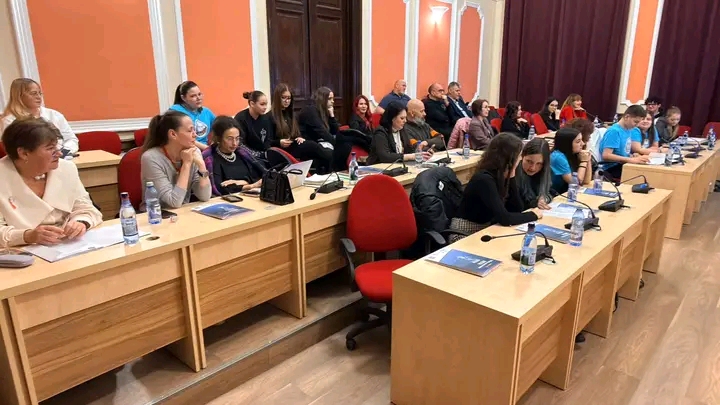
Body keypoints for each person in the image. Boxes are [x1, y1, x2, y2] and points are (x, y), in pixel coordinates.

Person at [0, 118, 102, 247]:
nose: (59, 153)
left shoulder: (66, 168)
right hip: (20, 250)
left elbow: (86, 209)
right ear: (24, 153)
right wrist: (27, 236)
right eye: (50, 148)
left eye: (57, 147)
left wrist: (81, 222)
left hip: (67, 245)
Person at [448, 133, 542, 240]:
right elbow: (504, 218)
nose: (520, 159)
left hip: (484, 229)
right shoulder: (484, 179)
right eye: (518, 156)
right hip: (463, 232)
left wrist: (511, 176)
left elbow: (516, 209)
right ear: (508, 158)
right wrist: (533, 215)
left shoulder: (501, 175)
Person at [140, 110, 212, 209]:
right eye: (190, 130)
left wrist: (202, 166)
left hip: (183, 212)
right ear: (173, 134)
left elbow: (205, 196)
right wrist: (186, 164)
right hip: (156, 214)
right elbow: (173, 202)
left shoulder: (194, 152)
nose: (195, 135)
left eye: (194, 130)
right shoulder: (151, 158)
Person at [0, 78, 79, 154]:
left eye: (40, 93)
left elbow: (71, 139)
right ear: (19, 96)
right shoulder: (10, 120)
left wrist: (63, 152)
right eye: (33, 93)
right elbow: (13, 150)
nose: (39, 97)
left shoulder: (54, 115)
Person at [202, 116, 265, 196]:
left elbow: (260, 176)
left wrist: (243, 182)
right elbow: (220, 187)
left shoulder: (242, 154)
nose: (234, 143)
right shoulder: (211, 158)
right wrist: (250, 186)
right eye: (229, 139)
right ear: (219, 138)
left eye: (237, 138)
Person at [367, 101, 432, 164]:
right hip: (378, 167)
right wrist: (410, 156)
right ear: (392, 118)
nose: (405, 121)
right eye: (402, 118)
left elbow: (409, 149)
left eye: (405, 118)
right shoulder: (381, 132)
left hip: (398, 166)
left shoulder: (402, 130)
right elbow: (385, 156)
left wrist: (424, 151)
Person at [598, 105, 650, 179]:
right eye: (635, 122)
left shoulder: (628, 130)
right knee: (643, 175)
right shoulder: (614, 131)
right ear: (626, 117)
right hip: (611, 168)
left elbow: (623, 152)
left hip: (622, 165)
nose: (637, 125)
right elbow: (606, 155)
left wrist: (632, 156)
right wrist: (630, 160)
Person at [297, 87, 338, 173]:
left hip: (319, 142)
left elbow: (335, 131)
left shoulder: (324, 111)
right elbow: (322, 131)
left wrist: (332, 116)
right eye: (329, 99)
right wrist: (338, 145)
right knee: (332, 154)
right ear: (322, 99)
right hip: (306, 143)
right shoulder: (310, 110)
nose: (333, 101)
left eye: (333, 99)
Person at [169, 81, 216, 150]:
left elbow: (219, 128)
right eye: (193, 96)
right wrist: (209, 150)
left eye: (199, 94)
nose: (198, 98)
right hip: (187, 149)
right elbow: (184, 139)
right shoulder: (176, 111)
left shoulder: (206, 111)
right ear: (183, 98)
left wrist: (214, 143)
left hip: (205, 149)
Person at [550, 128, 592, 194]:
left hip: (567, 193)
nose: (583, 143)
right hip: (554, 195)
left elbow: (586, 181)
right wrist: (584, 162)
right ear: (567, 144)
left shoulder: (573, 154)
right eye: (578, 141)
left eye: (581, 140)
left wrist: (587, 159)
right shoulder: (558, 157)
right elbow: (576, 183)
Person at [515, 138, 552, 210]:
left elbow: (550, 192)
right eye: (529, 161)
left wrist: (544, 198)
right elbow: (517, 206)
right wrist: (536, 203)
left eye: (539, 163)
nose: (533, 168)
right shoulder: (513, 174)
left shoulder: (544, 172)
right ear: (522, 156)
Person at [234, 90, 275, 155]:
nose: (265, 107)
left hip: (263, 153)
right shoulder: (240, 118)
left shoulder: (266, 118)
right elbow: (240, 144)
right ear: (252, 104)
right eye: (262, 104)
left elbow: (268, 140)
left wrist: (267, 153)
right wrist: (255, 154)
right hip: (246, 155)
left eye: (266, 104)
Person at [270, 83, 304, 152]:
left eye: (289, 98)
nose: (287, 101)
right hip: (281, 151)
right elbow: (268, 141)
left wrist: (300, 138)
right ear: (277, 98)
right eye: (283, 97)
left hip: (295, 146)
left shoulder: (291, 115)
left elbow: (296, 134)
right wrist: (279, 142)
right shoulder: (270, 116)